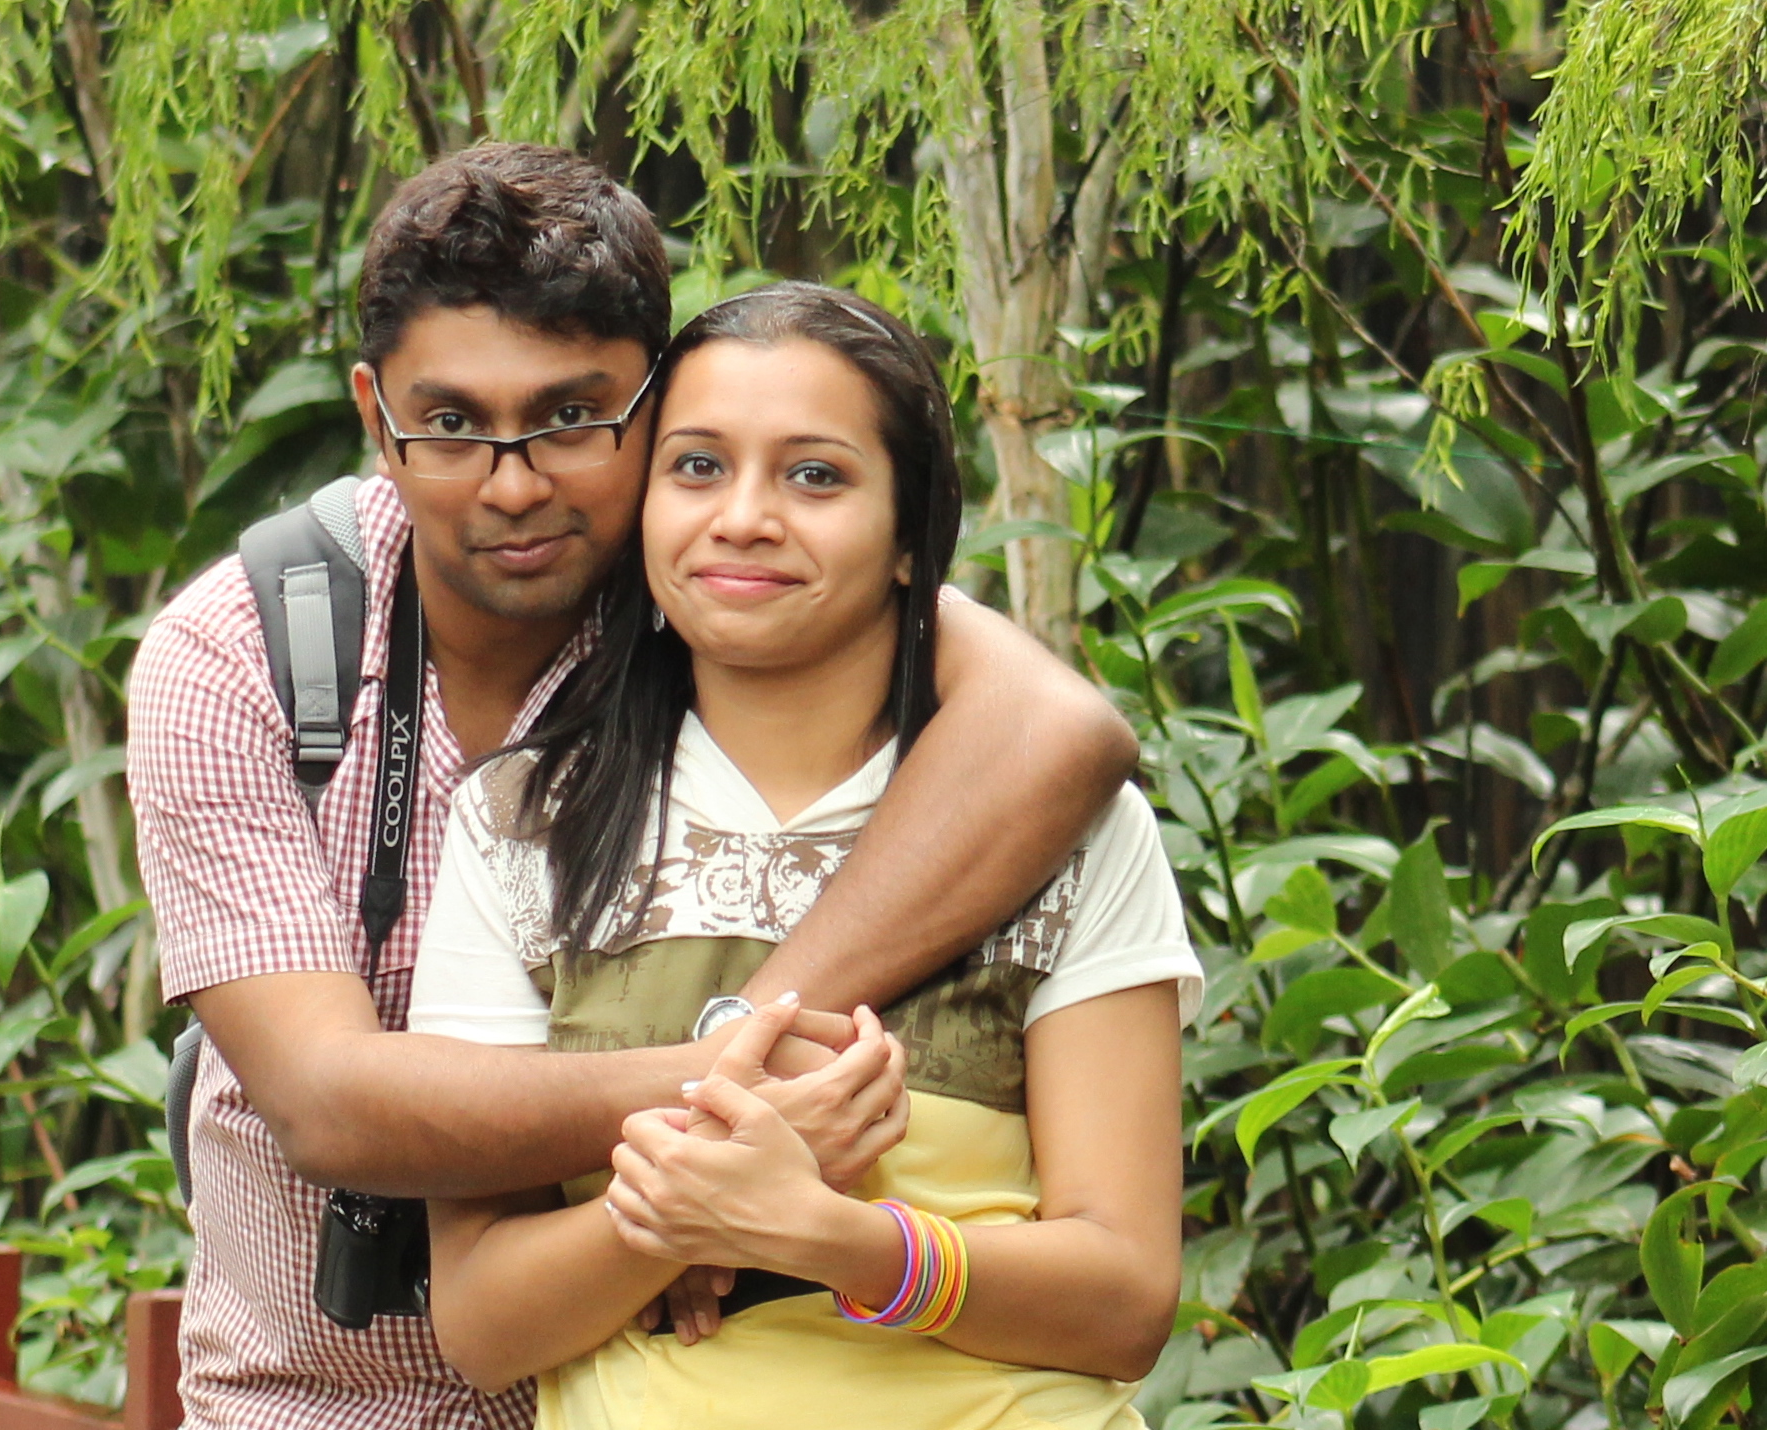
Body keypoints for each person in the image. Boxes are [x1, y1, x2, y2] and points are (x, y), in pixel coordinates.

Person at [127, 146, 1140, 1430]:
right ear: (376, 415)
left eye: (570, 416)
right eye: (451, 424)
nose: (513, 483)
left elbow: (1056, 728)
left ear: (656, 404)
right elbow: (329, 1103)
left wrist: (730, 1110)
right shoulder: (244, 655)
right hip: (318, 1402)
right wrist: (728, 1102)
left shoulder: (721, 582)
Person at [412, 283, 1203, 1430]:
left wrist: (835, 1237)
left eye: (816, 475)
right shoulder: (527, 823)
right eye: (696, 466)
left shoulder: (1067, 828)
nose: (743, 516)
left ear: (909, 537)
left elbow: (1123, 1299)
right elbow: (485, 1326)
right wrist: (681, 1213)